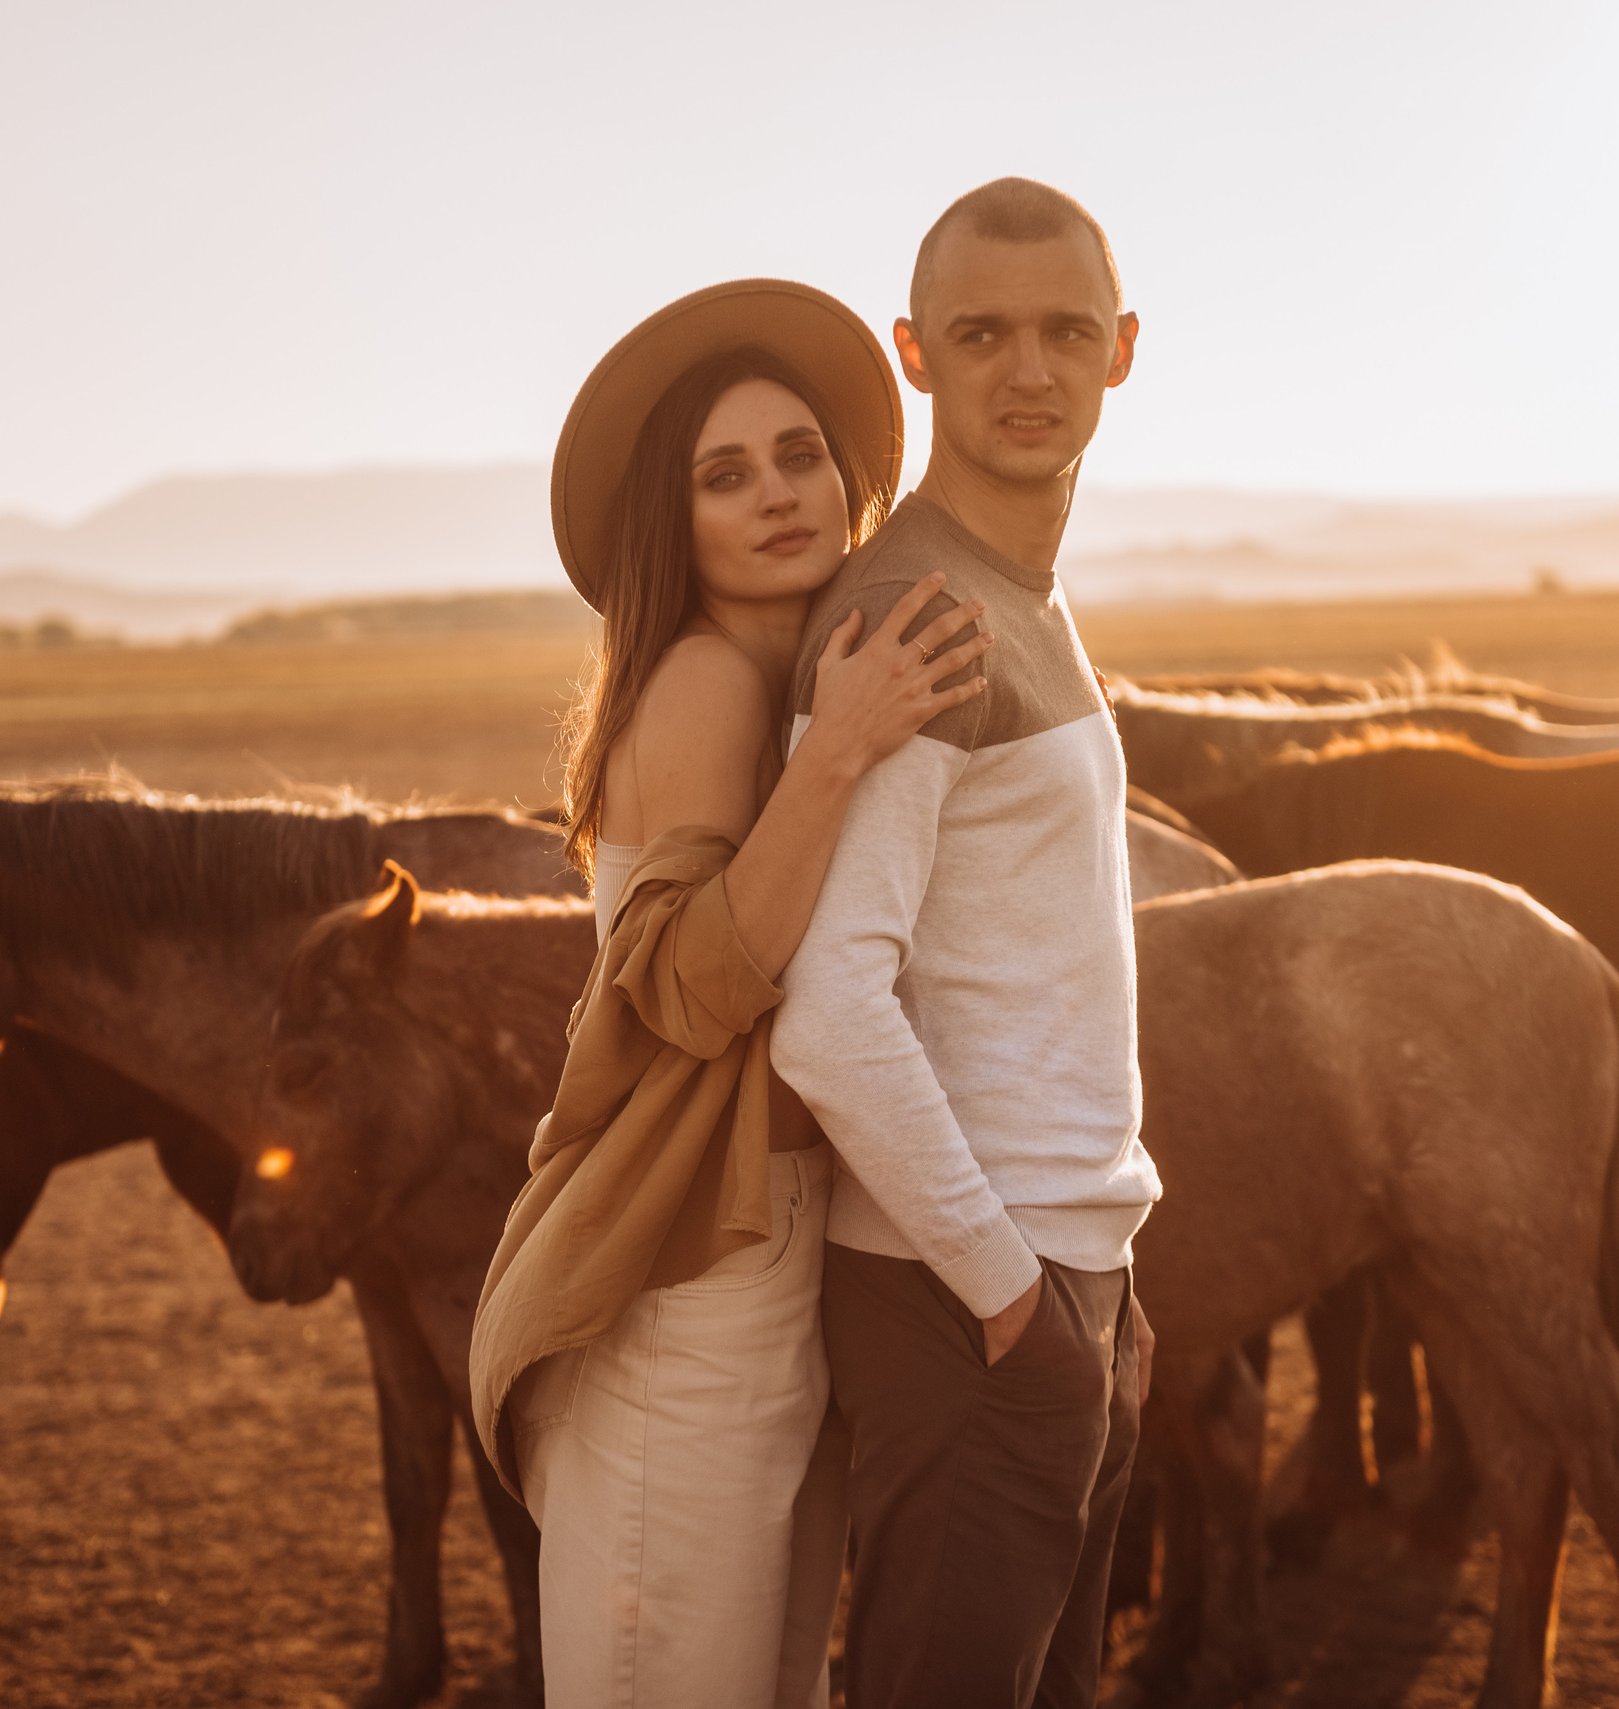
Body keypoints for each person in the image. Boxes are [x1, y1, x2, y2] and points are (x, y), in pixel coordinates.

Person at [466, 278, 991, 1708]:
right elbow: (690, 991)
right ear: (674, 521)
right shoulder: (704, 682)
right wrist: (838, 757)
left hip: (771, 1254)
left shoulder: (791, 674)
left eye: (799, 455)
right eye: (726, 474)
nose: (776, 494)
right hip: (688, 1278)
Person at [769, 178, 1160, 1709]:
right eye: (982, 334)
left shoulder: (1023, 594)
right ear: (914, 352)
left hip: (1061, 1276)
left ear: (1123, 348)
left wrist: (1105, 1286)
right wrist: (1014, 1296)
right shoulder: (918, 613)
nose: (1029, 370)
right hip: (967, 1300)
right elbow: (829, 1007)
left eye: (1066, 330)